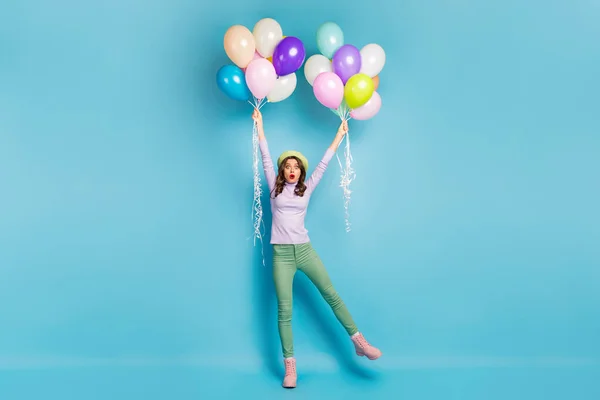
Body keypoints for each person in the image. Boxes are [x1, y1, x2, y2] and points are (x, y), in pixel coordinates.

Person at [252, 108, 382, 389]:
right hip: (282, 255)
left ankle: (359, 342)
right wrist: (260, 126)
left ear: (301, 172)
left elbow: (324, 162)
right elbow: (264, 155)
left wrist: (339, 134)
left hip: (305, 250)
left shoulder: (306, 189)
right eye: (287, 166)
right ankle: (290, 368)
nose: (291, 170)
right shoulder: (274, 190)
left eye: (296, 167)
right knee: (284, 311)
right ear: (282, 170)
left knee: (331, 295)